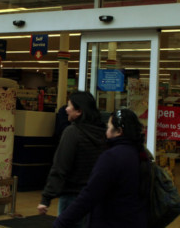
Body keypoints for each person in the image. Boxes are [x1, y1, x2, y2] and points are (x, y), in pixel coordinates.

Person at [54, 108, 148, 228]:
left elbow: (90, 194)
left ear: (119, 131)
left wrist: (62, 221)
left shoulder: (112, 157)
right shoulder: (141, 154)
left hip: (111, 221)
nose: (106, 132)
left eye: (108, 127)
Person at [38, 92, 106, 227]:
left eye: (69, 105)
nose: (66, 109)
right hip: (95, 197)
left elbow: (60, 167)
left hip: (72, 198)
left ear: (79, 111)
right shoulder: (102, 134)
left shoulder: (72, 133)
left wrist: (46, 198)